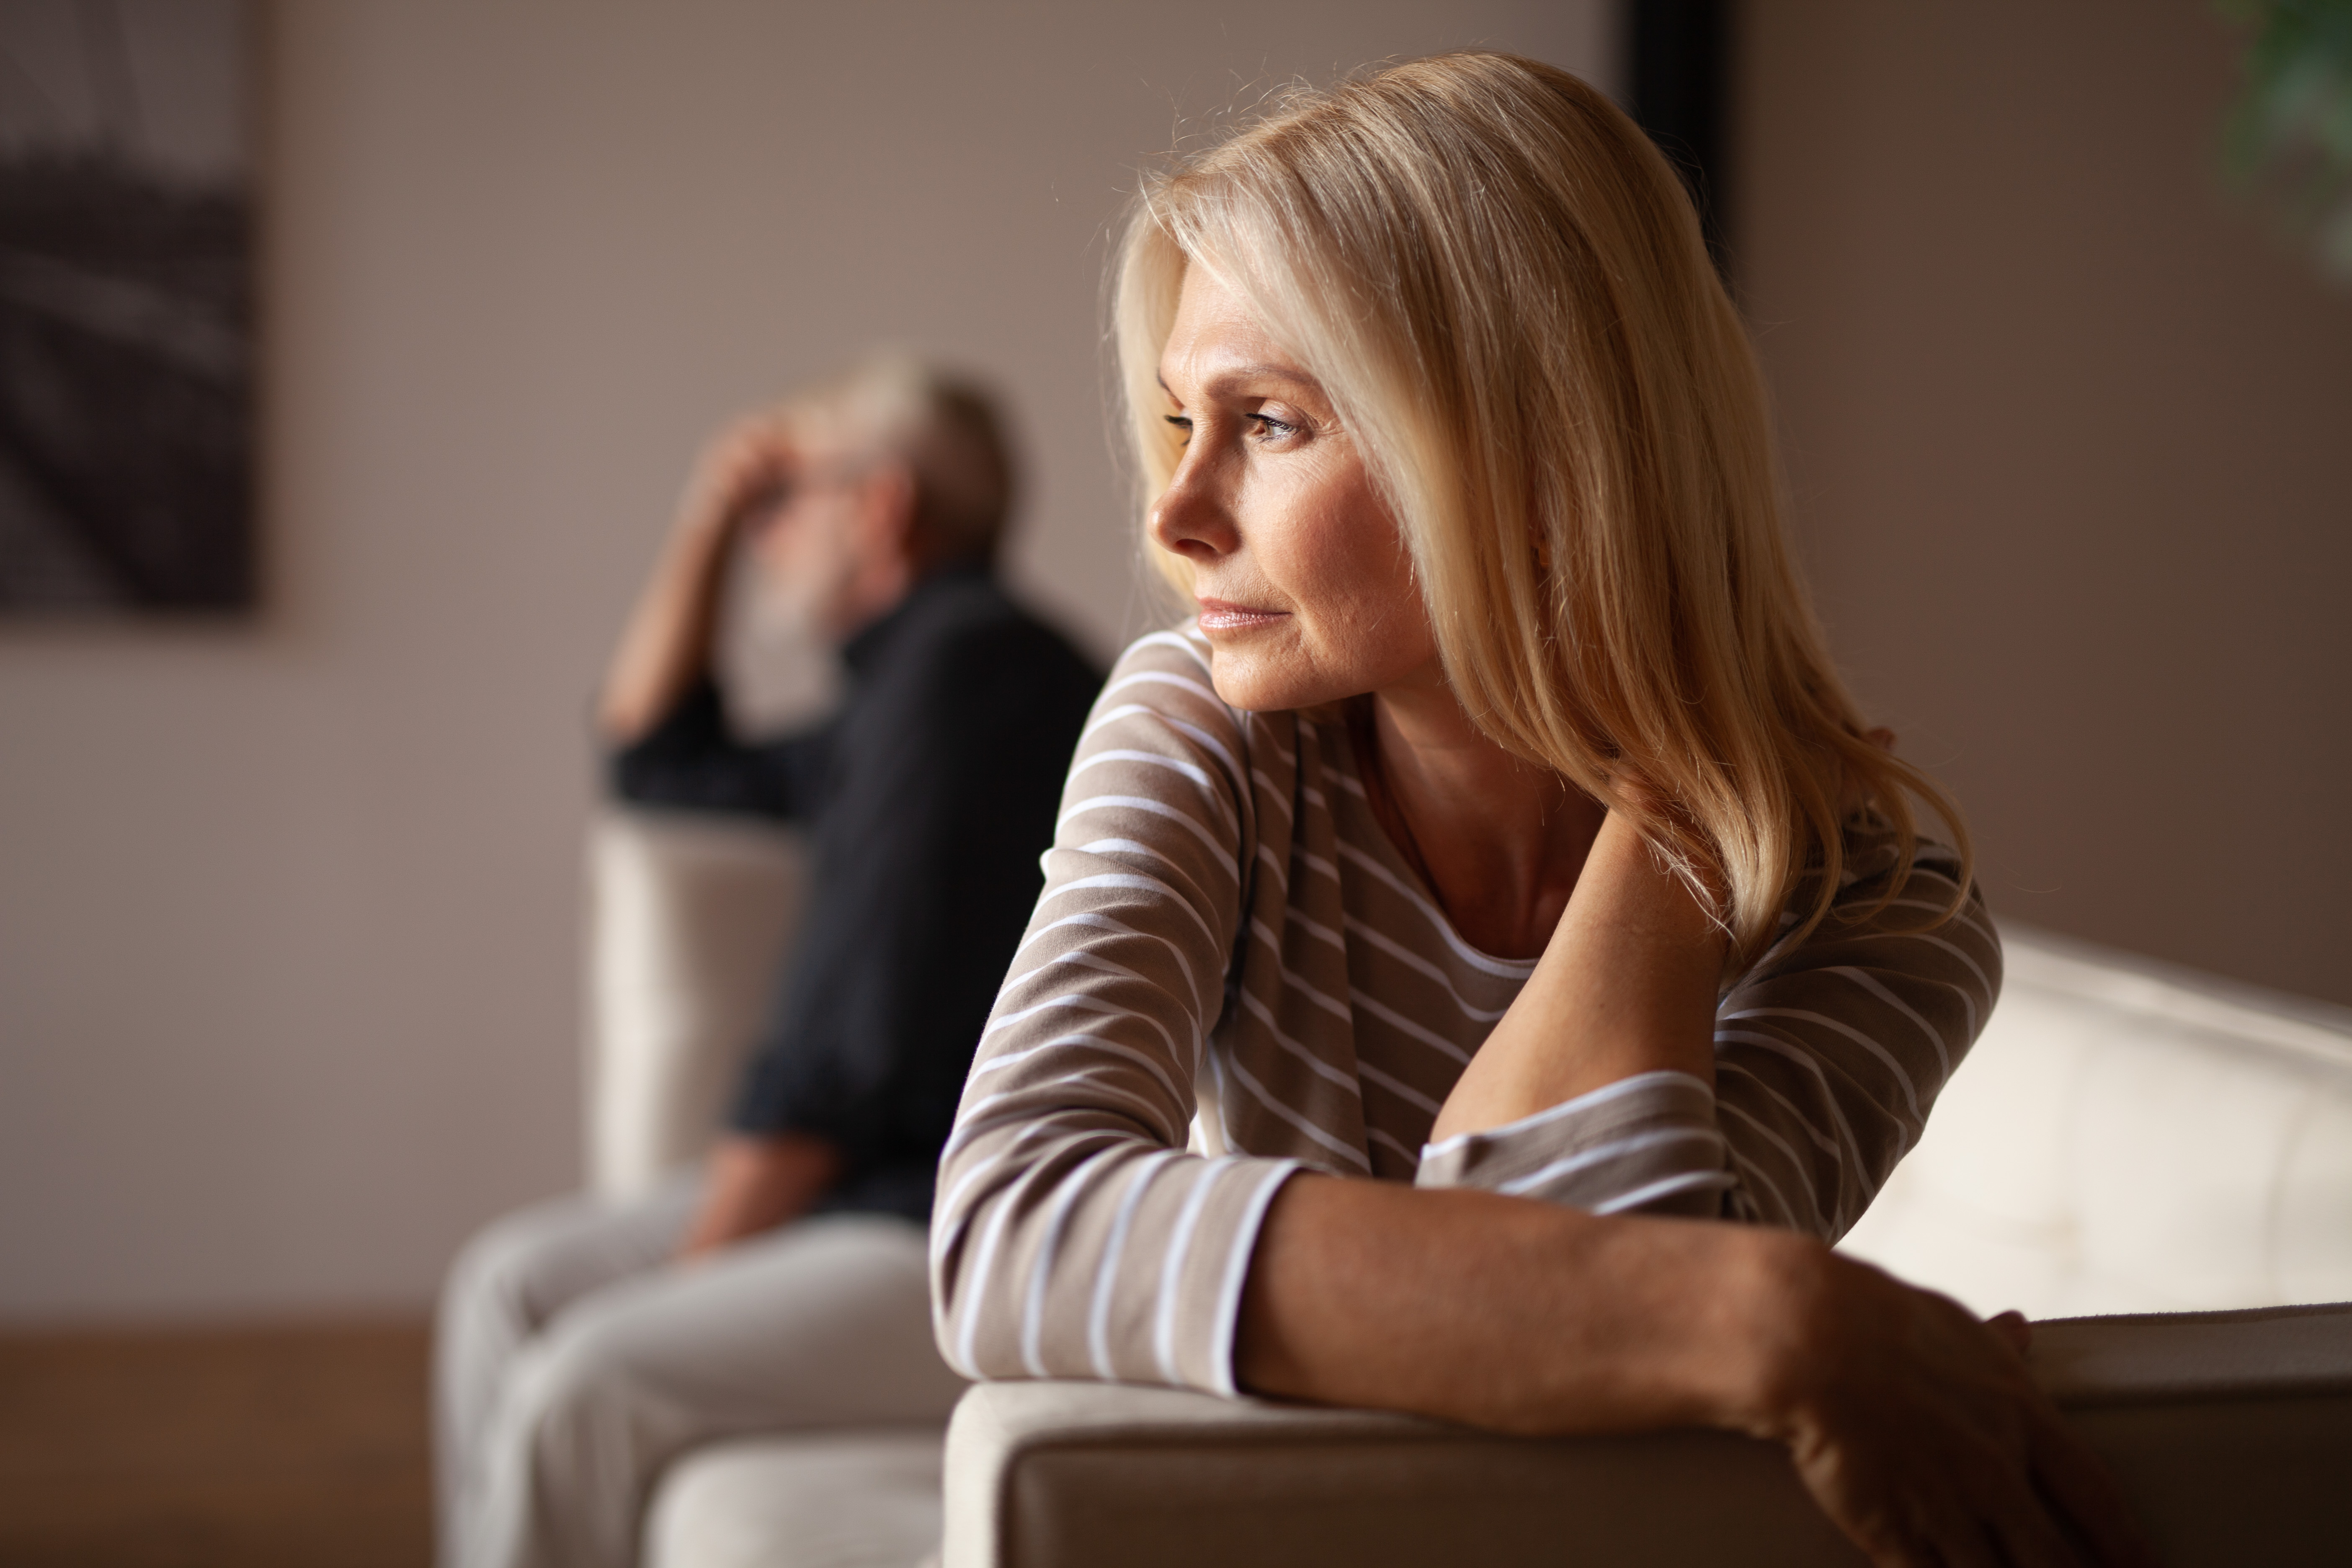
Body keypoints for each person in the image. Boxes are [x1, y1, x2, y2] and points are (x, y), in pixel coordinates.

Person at [931, 54, 2153, 1568]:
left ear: (1537, 449)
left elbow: (1614, 1293)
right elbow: (1011, 1233)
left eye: (1275, 423)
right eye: (1183, 418)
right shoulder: (1213, 736)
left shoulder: (1881, 901)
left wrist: (1687, 816)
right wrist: (1775, 1315)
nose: (1174, 516)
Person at [436, 356, 1101, 1568]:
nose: (769, 539)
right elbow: (654, 758)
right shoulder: (904, 687)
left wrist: (692, 1280)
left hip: (962, 1226)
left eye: (783, 504)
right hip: (877, 1202)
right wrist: (709, 513)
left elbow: (849, 1051)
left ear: (883, 506)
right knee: (505, 1289)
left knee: (584, 1385)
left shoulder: (976, 678)